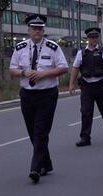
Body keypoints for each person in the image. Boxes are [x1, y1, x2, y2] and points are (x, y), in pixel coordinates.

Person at [9, 14, 69, 184]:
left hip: (47, 94)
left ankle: (35, 168)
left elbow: (63, 67)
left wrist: (45, 73)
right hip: (27, 94)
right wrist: (23, 72)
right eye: (34, 28)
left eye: (40, 28)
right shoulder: (20, 48)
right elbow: (12, 69)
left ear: (43, 30)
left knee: (40, 131)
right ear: (28, 30)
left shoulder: (53, 47)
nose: (37, 31)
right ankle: (46, 163)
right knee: (32, 131)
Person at [69, 28, 103, 147]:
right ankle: (85, 138)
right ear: (88, 38)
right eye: (91, 37)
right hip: (87, 86)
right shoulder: (81, 52)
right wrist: (71, 84)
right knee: (86, 112)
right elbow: (75, 68)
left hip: (101, 85)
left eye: (95, 37)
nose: (94, 39)